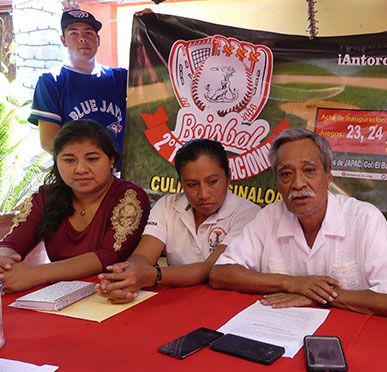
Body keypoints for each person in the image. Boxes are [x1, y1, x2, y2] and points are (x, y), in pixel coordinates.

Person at [209, 128, 387, 317]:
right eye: (286, 174)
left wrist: (315, 296)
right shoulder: (268, 217)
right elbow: (221, 273)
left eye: (309, 170)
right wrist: (292, 284)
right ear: (277, 182)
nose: (297, 183)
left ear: (328, 175)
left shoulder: (365, 219)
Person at [96, 139, 260, 303]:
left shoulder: (247, 214)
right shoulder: (167, 206)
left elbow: (211, 268)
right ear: (181, 183)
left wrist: (152, 276)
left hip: (224, 302)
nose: (203, 194)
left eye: (212, 182)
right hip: (175, 300)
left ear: (228, 177)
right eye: (191, 184)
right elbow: (143, 255)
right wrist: (126, 277)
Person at [0, 120, 150, 293]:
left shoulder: (129, 197)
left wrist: (35, 275)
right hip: (56, 295)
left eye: (92, 159)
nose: (80, 169)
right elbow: (14, 243)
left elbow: (108, 255)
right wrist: (4, 262)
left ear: (111, 160)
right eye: (69, 160)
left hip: (110, 293)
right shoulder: (45, 197)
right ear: (56, 162)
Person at [28, 9, 128, 171]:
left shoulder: (120, 77)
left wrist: (150, 24)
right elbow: (48, 140)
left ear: (98, 39)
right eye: (74, 33)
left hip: (119, 175)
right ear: (63, 40)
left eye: (89, 33)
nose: (82, 38)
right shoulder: (52, 81)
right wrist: (88, 167)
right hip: (79, 178)